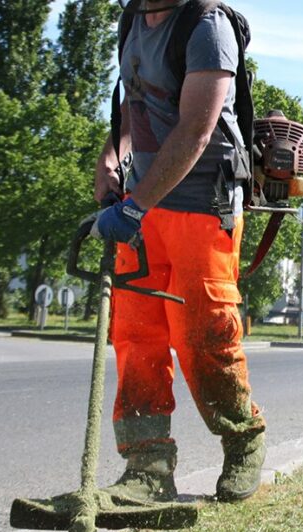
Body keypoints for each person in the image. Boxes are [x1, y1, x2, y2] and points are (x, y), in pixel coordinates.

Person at [92, 0, 264, 503]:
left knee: (203, 334)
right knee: (135, 334)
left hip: (203, 205)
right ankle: (147, 466)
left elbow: (196, 129)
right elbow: (136, 102)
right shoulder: (133, 21)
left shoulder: (207, 25)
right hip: (143, 208)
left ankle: (242, 439)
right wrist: (111, 156)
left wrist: (134, 206)